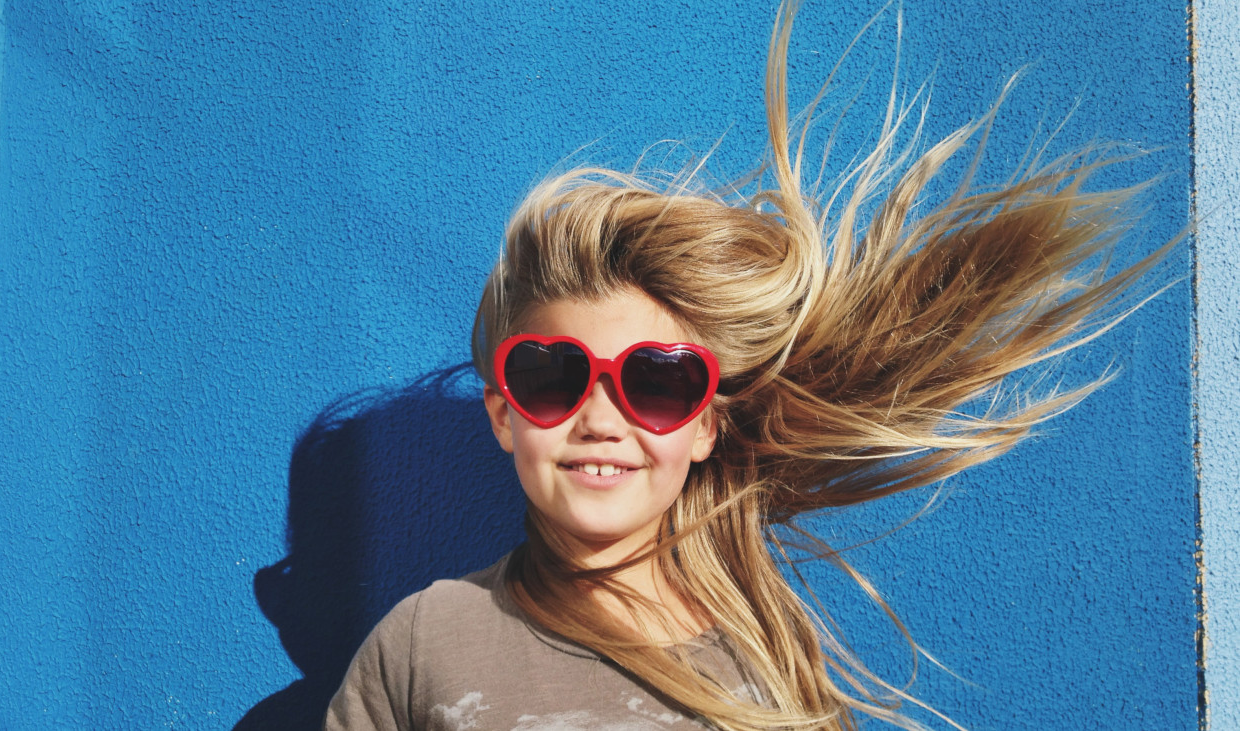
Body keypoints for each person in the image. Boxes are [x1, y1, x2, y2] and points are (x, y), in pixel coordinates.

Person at [325, 3, 1170, 729]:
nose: (602, 414)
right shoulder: (424, 640)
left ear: (705, 425)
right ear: (504, 411)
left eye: (658, 380)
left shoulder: (766, 658)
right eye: (554, 374)